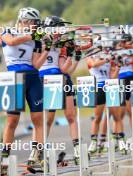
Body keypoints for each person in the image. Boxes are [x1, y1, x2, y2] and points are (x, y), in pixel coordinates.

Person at [0, 7, 47, 174]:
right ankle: (4, 158)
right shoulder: (7, 31)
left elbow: (36, 64)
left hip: (33, 77)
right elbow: (11, 42)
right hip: (14, 77)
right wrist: (32, 35)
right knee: (12, 121)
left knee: (38, 118)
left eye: (36, 24)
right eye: (32, 23)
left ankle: (37, 155)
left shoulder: (37, 39)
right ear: (24, 21)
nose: (35, 26)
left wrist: (47, 48)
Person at [34, 15, 89, 164]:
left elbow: (64, 69)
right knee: (46, 119)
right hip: (43, 80)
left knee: (71, 116)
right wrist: (51, 40)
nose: (61, 32)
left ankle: (78, 150)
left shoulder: (62, 43)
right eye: (58, 28)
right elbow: (35, 38)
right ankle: (37, 152)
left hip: (62, 79)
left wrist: (73, 56)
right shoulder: (39, 39)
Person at [86, 41, 123, 154]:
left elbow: (112, 77)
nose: (106, 50)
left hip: (110, 87)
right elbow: (93, 65)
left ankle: (119, 140)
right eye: (103, 48)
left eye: (107, 48)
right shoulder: (90, 56)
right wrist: (106, 60)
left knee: (117, 116)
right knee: (98, 117)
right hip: (98, 86)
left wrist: (118, 67)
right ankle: (93, 142)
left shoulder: (108, 58)